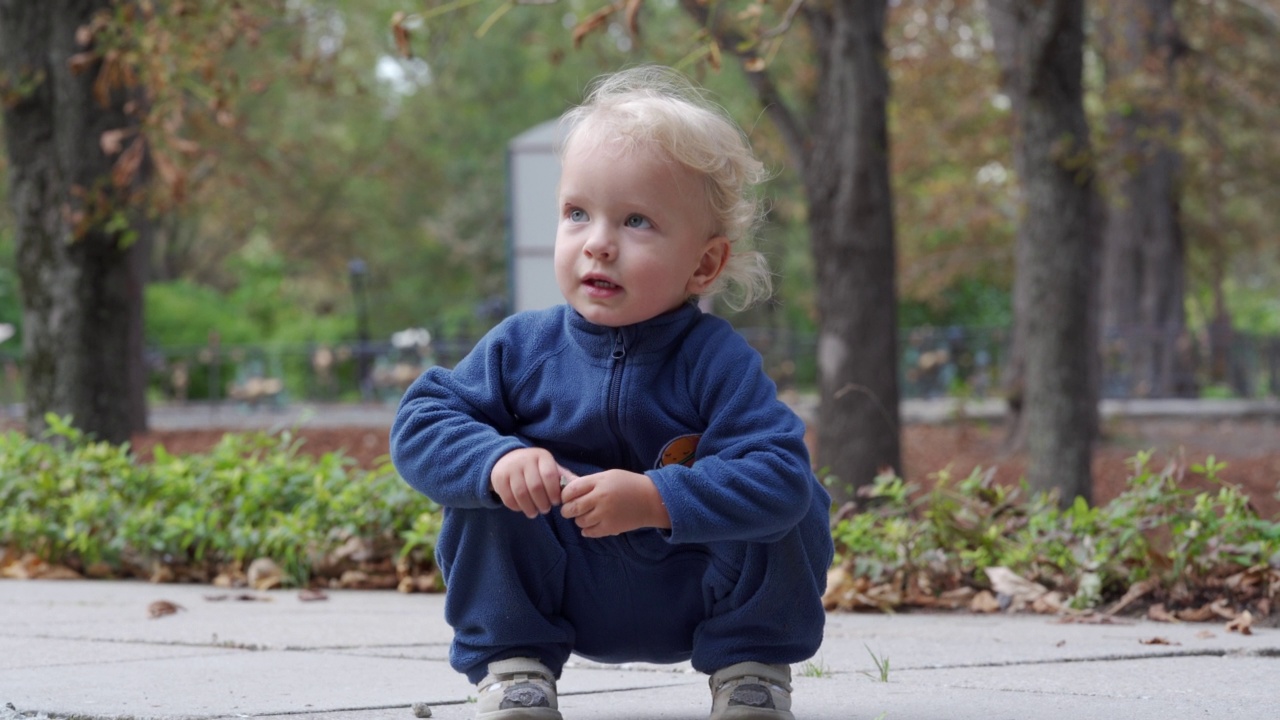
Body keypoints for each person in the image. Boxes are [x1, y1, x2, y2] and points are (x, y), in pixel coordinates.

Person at [391, 65, 833, 720]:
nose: (597, 243)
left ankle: (751, 670)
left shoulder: (717, 361)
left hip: (691, 582)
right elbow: (422, 422)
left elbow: (779, 477)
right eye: (577, 214)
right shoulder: (521, 348)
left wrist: (660, 498)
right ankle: (514, 670)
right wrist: (497, 461)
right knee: (487, 486)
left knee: (792, 501)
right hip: (565, 582)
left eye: (636, 222)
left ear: (705, 264)